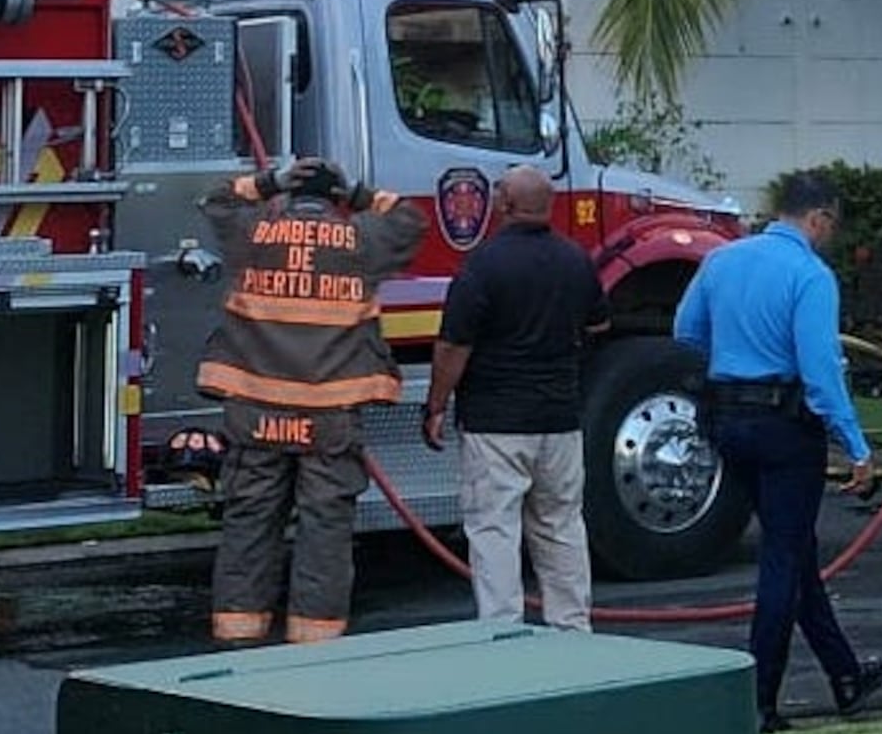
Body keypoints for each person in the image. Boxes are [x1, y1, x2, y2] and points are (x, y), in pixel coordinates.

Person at [675, 170, 882, 734]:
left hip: (726, 418)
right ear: (818, 219)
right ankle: (760, 698)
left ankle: (844, 674)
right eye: (830, 227)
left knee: (795, 554)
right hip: (785, 427)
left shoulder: (721, 261)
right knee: (782, 562)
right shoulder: (810, 276)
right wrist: (857, 447)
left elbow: (686, 331)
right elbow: (819, 372)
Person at [195, 156, 426, 645]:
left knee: (250, 519)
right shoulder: (363, 238)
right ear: (334, 200)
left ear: (288, 196)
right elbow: (410, 218)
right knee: (325, 526)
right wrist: (362, 195)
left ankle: (238, 632)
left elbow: (216, 200)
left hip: (256, 409)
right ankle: (314, 640)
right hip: (330, 413)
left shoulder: (254, 233)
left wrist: (265, 181)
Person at [419, 165, 610, 630]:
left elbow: (453, 345)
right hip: (560, 420)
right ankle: (573, 631)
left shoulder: (483, 265)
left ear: (504, 206)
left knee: (494, 530)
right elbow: (599, 324)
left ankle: (503, 635)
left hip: (495, 423)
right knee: (562, 526)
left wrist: (437, 405)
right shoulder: (575, 259)